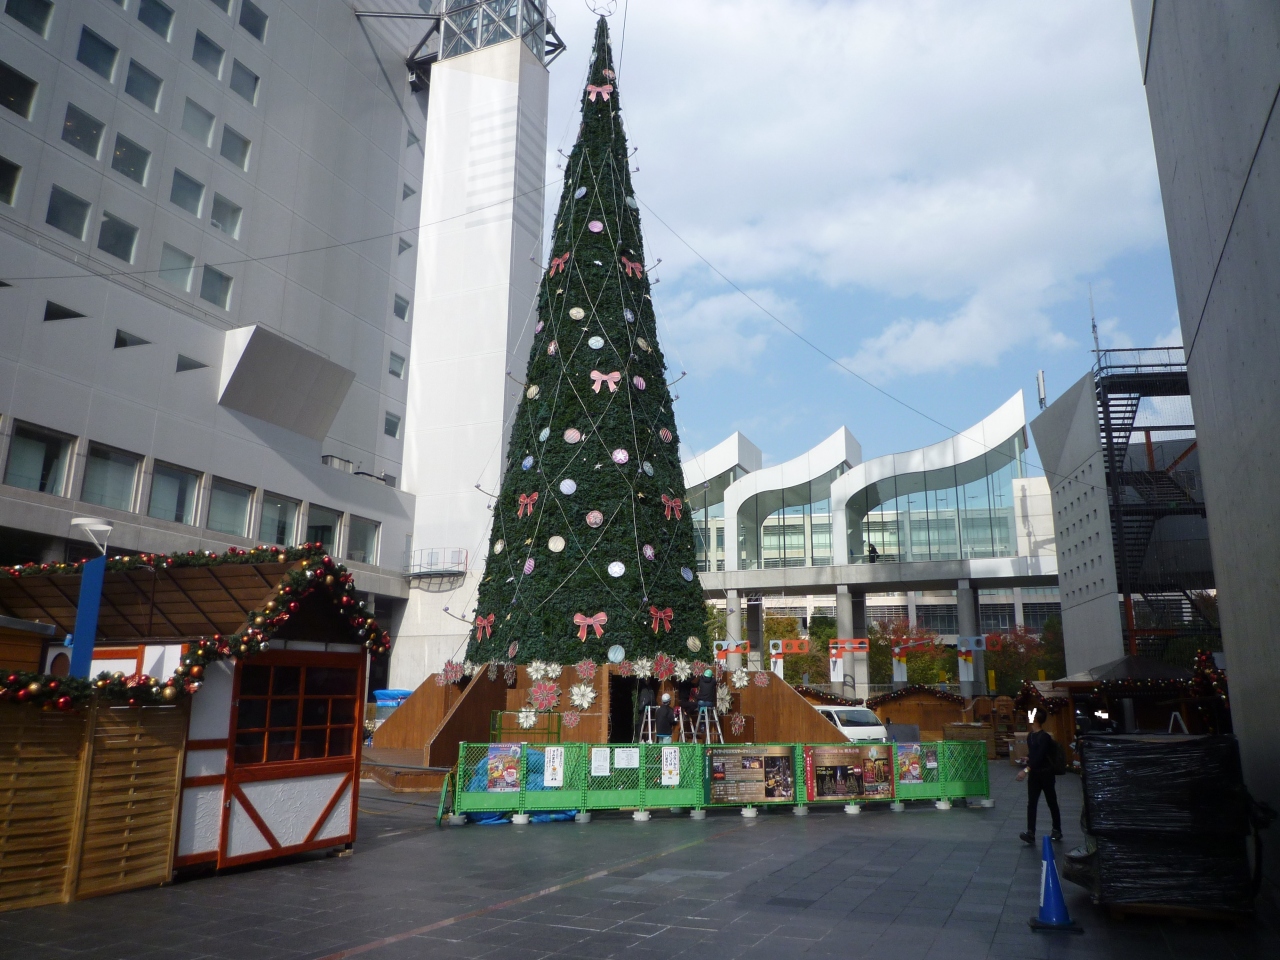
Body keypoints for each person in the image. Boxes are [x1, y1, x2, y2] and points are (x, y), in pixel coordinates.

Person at [1016, 710, 1063, 844]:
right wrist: (1027, 758)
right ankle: (1030, 832)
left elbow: (1040, 756)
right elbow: (1034, 754)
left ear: (1036, 719)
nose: (1028, 717)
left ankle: (1057, 829)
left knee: (1051, 802)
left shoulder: (1044, 737)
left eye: (1031, 715)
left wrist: (1025, 770)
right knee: (1032, 803)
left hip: (1046, 773)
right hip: (1035, 775)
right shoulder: (1030, 735)